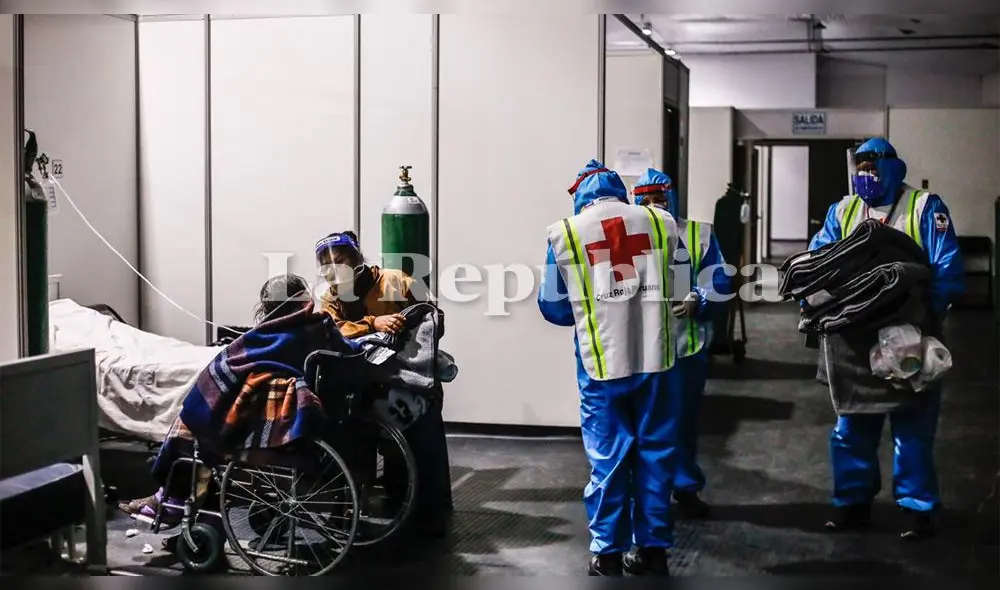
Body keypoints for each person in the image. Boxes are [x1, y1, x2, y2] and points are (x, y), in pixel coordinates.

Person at [809, 137, 964, 539]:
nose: (866, 176)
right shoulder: (843, 210)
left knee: (912, 427)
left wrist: (925, 319)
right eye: (860, 169)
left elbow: (947, 268)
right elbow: (818, 260)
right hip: (854, 339)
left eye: (872, 168)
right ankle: (852, 504)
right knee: (851, 427)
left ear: (892, 167)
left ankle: (917, 510)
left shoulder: (924, 207)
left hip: (909, 334)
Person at [537, 159, 681, 577]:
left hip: (601, 364)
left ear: (580, 197)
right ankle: (653, 550)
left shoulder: (565, 233)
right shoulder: (661, 223)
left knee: (608, 459)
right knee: (656, 454)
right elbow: (680, 284)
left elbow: (553, 308)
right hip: (656, 359)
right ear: (620, 191)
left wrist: (594, 309)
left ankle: (608, 554)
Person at [119, 274, 316, 525]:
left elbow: (226, 366)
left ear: (267, 308)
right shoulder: (318, 327)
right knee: (199, 420)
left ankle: (171, 500)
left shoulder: (269, 335)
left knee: (193, 421)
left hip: (262, 415)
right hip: (291, 406)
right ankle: (180, 495)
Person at [315, 230, 453, 537]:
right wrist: (372, 324)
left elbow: (433, 318)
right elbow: (331, 330)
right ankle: (353, 501)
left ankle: (429, 511)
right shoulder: (331, 298)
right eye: (326, 265)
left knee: (420, 437)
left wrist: (403, 330)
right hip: (363, 384)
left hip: (407, 380)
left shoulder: (395, 281)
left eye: (340, 260)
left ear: (357, 259)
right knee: (347, 431)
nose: (334, 270)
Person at [633, 168, 731, 519]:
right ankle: (647, 493)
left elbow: (718, 279)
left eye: (659, 199)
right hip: (640, 351)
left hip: (685, 349)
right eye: (645, 200)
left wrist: (699, 298)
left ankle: (685, 486)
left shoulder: (697, 233)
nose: (654, 205)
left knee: (682, 422)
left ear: (671, 198)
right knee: (643, 425)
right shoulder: (628, 235)